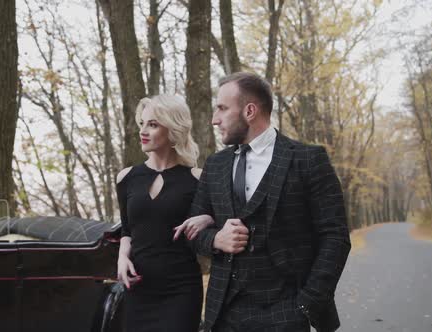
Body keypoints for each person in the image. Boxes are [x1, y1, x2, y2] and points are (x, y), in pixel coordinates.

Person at [187, 72, 351, 332]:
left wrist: (306, 305)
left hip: (287, 311)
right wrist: (216, 240)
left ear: (250, 111)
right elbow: (193, 233)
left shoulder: (308, 160)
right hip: (224, 313)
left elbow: (335, 237)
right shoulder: (215, 166)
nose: (214, 119)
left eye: (222, 109)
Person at [115, 94, 214, 332]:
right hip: (139, 287)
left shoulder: (198, 179)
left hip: (181, 288)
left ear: (173, 129)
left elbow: (220, 221)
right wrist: (122, 258)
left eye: (153, 124)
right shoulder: (126, 178)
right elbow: (127, 230)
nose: (143, 131)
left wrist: (209, 218)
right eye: (142, 124)